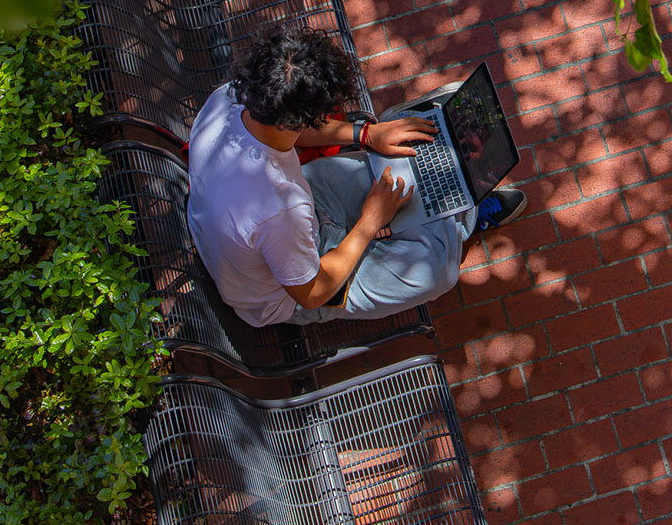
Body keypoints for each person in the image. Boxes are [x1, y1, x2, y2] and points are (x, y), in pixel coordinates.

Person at [185, 24, 525, 327]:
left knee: (407, 149)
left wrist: (365, 135)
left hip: (295, 212)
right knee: (437, 273)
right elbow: (313, 292)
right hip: (291, 287)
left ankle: (445, 188)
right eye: (321, 116)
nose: (325, 119)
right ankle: (462, 211)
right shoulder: (275, 210)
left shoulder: (232, 99)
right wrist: (369, 222)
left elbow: (292, 133)